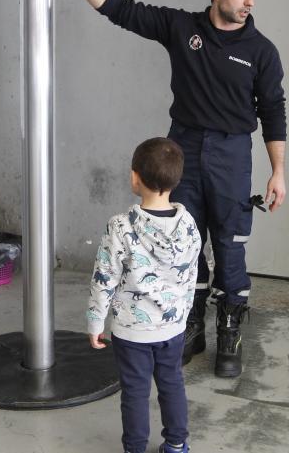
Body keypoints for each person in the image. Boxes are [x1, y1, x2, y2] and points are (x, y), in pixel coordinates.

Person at [50, 0, 287, 378]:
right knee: (185, 242)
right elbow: (119, 8)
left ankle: (230, 331)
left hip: (233, 154)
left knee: (231, 246)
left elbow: (274, 112)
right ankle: (191, 326)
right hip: (185, 149)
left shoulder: (261, 51)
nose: (249, 1)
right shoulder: (183, 29)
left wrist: (278, 171)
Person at [87, 137, 202, 453]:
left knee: (135, 392)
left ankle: (135, 448)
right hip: (173, 327)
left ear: (134, 177)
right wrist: (182, 312)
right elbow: (192, 273)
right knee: (172, 383)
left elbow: (104, 277)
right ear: (175, 180)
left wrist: (96, 320)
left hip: (132, 331)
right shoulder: (189, 225)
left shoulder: (121, 226)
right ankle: (177, 444)